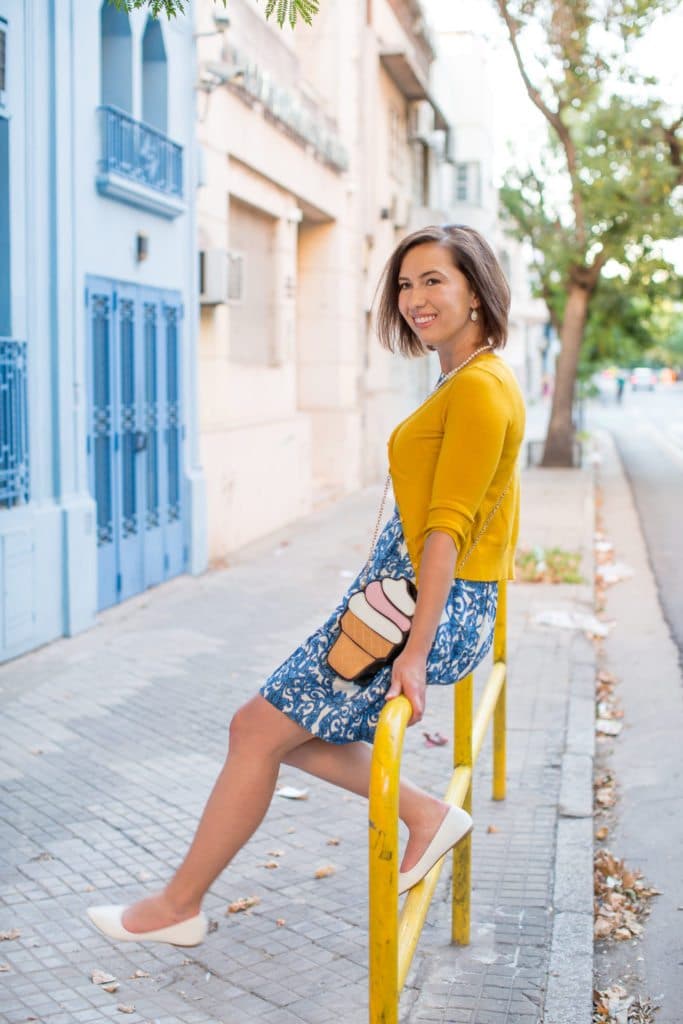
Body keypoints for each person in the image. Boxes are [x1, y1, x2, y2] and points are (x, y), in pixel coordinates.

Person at [86, 224, 526, 947]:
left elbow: (449, 529)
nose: (415, 298)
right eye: (405, 284)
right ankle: (421, 814)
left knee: (254, 728)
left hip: (414, 607)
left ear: (475, 289)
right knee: (271, 731)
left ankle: (176, 907)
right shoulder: (466, 377)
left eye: (433, 281)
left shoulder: (478, 388)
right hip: (404, 600)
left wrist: (414, 655)